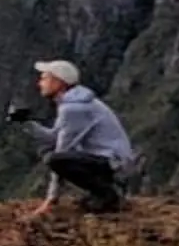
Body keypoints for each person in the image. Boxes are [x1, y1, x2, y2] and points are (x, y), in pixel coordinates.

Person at [11, 58, 137, 215]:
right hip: (107, 160)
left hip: (113, 163)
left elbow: (62, 150)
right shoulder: (72, 102)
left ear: (59, 83)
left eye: (44, 78)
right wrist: (26, 123)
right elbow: (53, 138)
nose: (39, 83)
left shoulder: (74, 109)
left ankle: (108, 195)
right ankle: (102, 192)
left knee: (55, 159)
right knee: (48, 153)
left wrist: (51, 199)